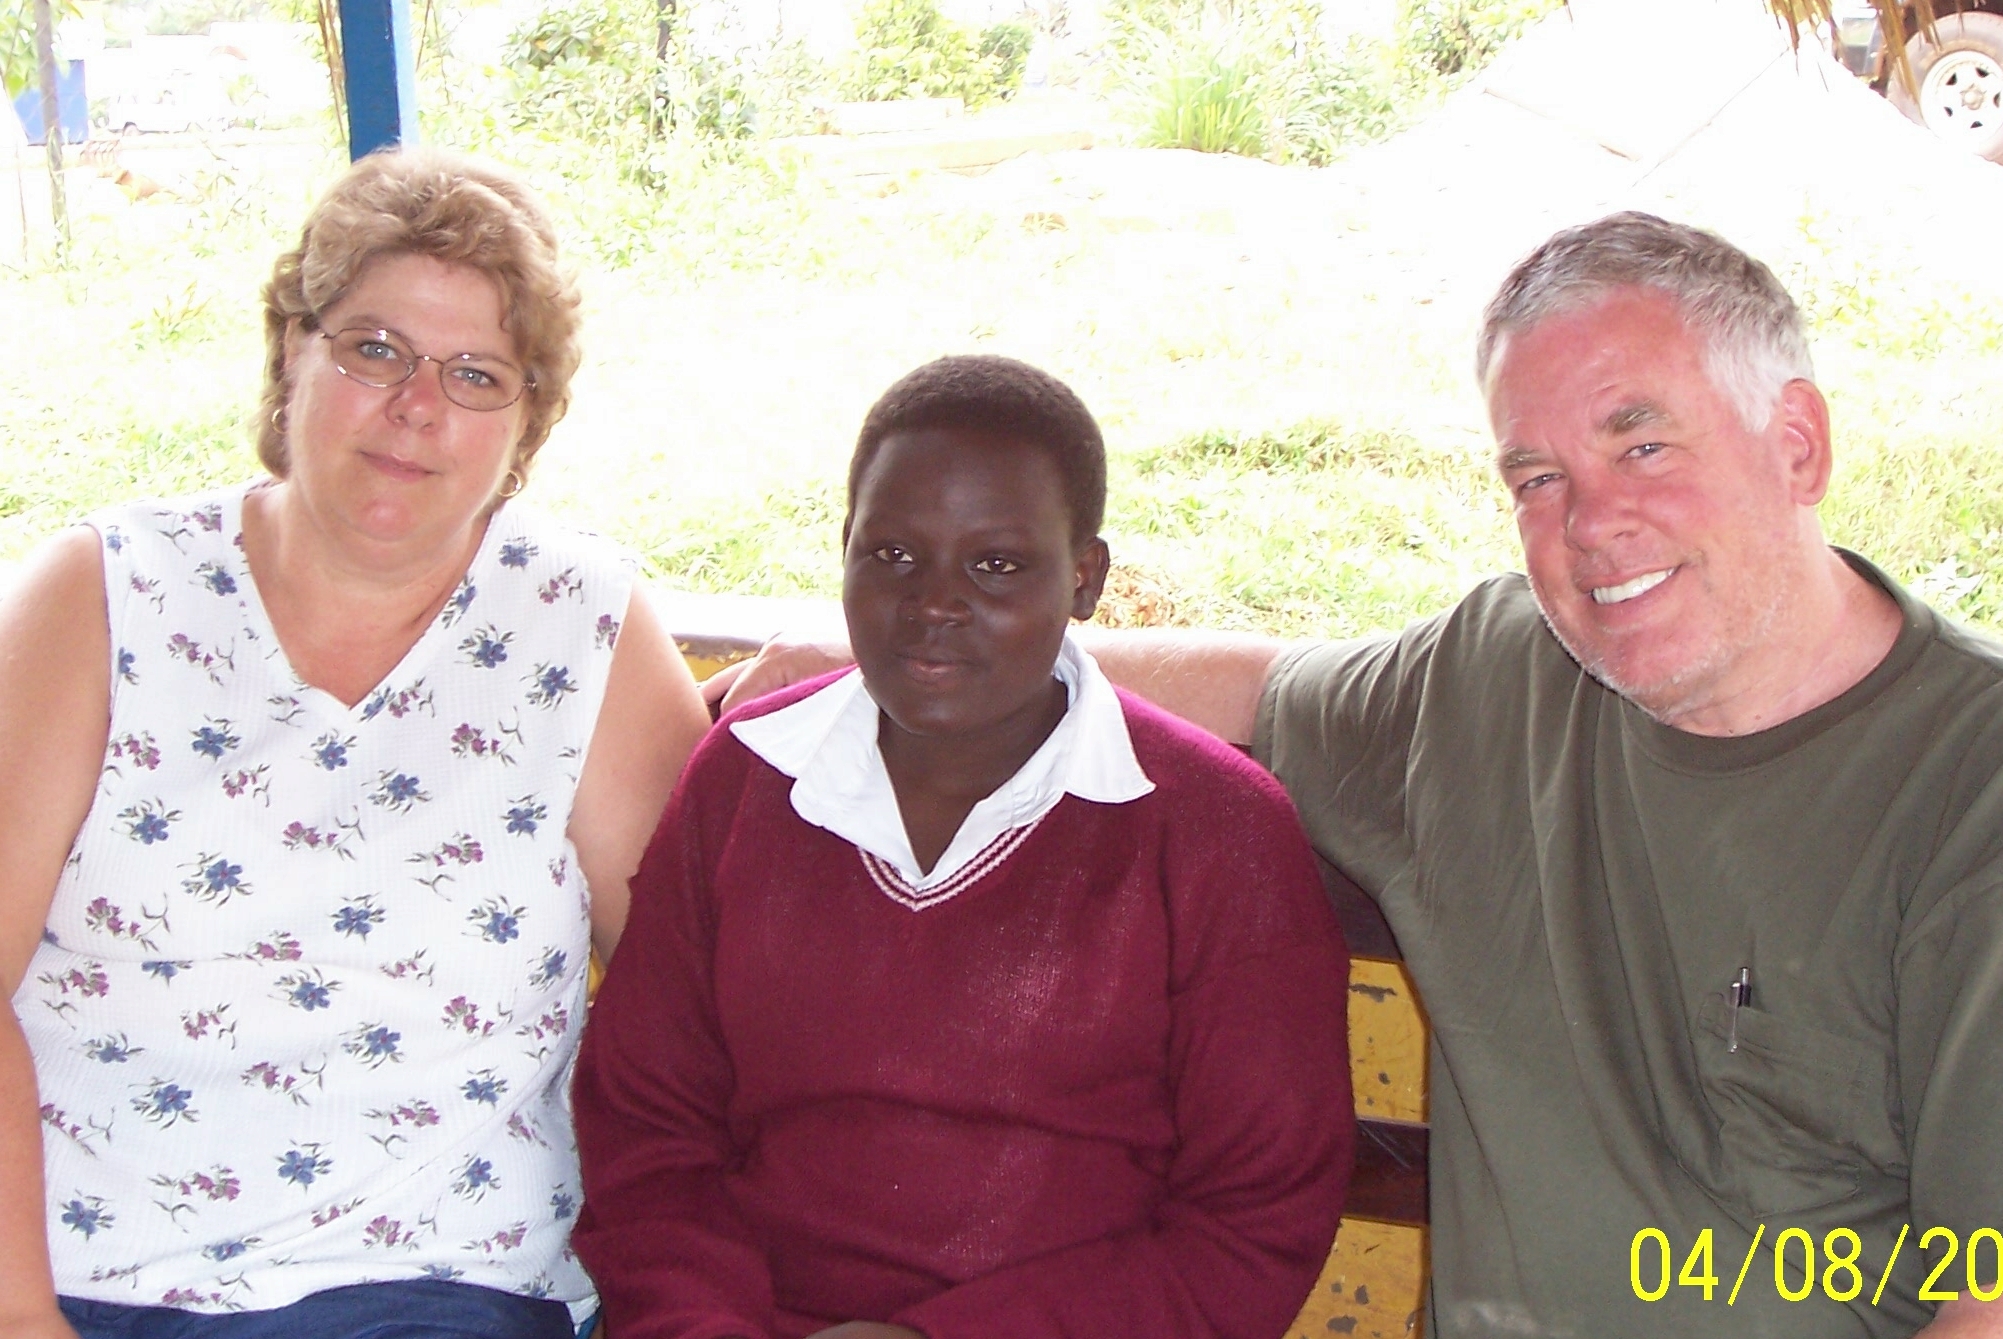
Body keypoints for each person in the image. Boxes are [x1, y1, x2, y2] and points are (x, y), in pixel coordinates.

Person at [706, 216, 2003, 1337]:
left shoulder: (1966, 788)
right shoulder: (1499, 680)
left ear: (1796, 443)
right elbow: (1264, 687)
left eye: (1641, 444)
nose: (1589, 523)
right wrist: (861, 658)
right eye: (1534, 476)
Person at [0, 148, 711, 1339]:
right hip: (87, 1278)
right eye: (375, 348)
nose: (417, 406)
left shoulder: (580, 625)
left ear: (529, 418)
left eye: (477, 373)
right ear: (293, 350)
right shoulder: (103, 592)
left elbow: (701, 1004)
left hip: (437, 1283)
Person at [572, 355, 1353, 1339]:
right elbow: (648, 1133)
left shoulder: (1213, 835)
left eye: (996, 564)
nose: (934, 602)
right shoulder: (746, 781)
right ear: (842, 550)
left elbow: (1250, 1220)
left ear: (1084, 577)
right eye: (892, 554)